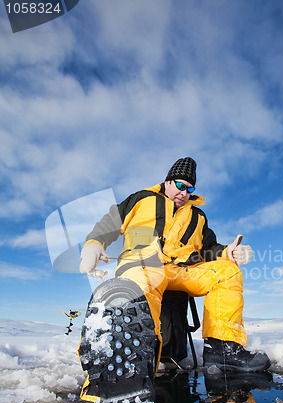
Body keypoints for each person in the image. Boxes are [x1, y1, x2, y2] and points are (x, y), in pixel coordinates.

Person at [80, 157, 270, 389]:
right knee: (143, 282)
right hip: (143, 264)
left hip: (182, 271)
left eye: (190, 189)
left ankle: (223, 350)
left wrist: (229, 252)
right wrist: (94, 244)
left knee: (227, 272)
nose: (185, 192)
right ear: (168, 182)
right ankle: (134, 361)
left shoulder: (198, 217)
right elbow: (111, 221)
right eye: (181, 185)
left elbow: (208, 249)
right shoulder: (141, 199)